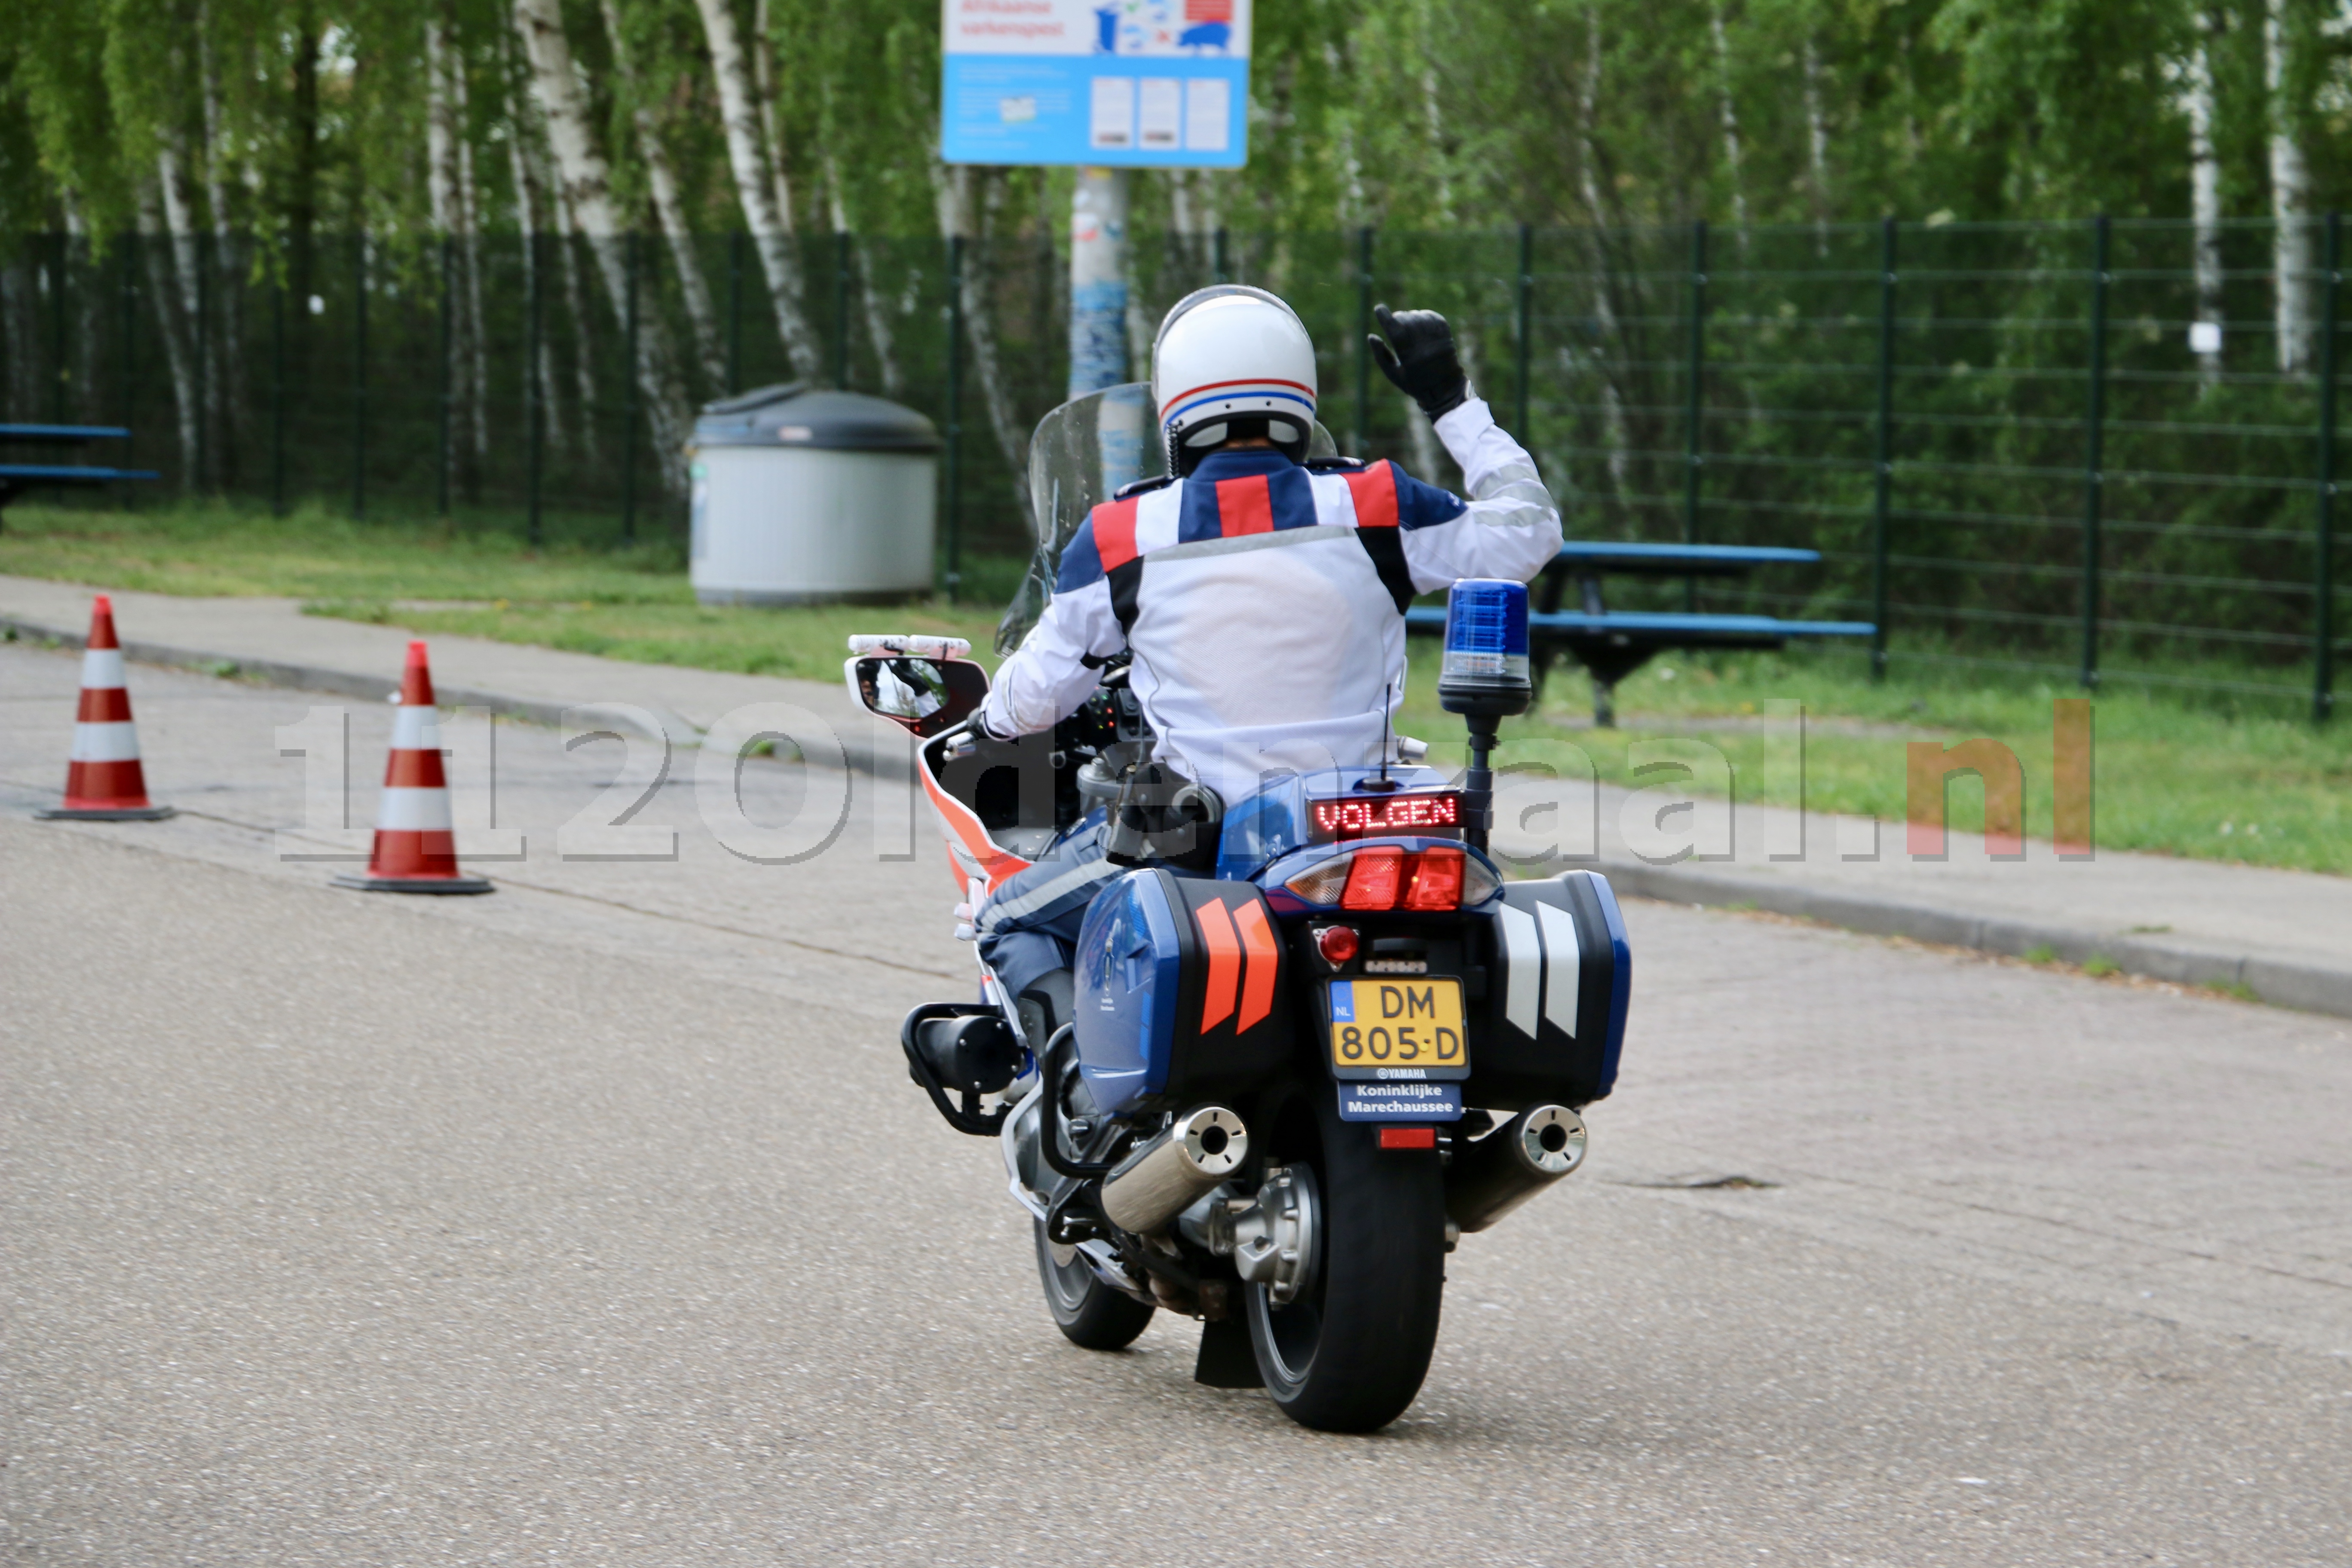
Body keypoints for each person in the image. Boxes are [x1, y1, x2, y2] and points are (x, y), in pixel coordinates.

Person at [971, 285, 1564, 1038]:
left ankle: (1079, 1095)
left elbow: (1032, 704)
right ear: (1300, 395)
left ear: (1175, 404)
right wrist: (1453, 402)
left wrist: (989, 717)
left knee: (1010, 919)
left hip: (1201, 843)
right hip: (1363, 824)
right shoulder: (1376, 503)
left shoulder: (1126, 533)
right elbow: (1531, 528)